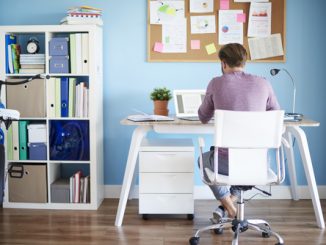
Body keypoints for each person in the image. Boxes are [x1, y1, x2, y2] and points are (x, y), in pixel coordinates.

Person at [198, 43, 280, 221]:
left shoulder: (216, 83)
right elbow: (276, 116)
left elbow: (203, 116)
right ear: (245, 62)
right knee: (243, 171)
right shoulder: (263, 83)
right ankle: (227, 206)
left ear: (223, 63)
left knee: (203, 159)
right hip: (259, 163)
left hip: (226, 164)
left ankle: (229, 208)